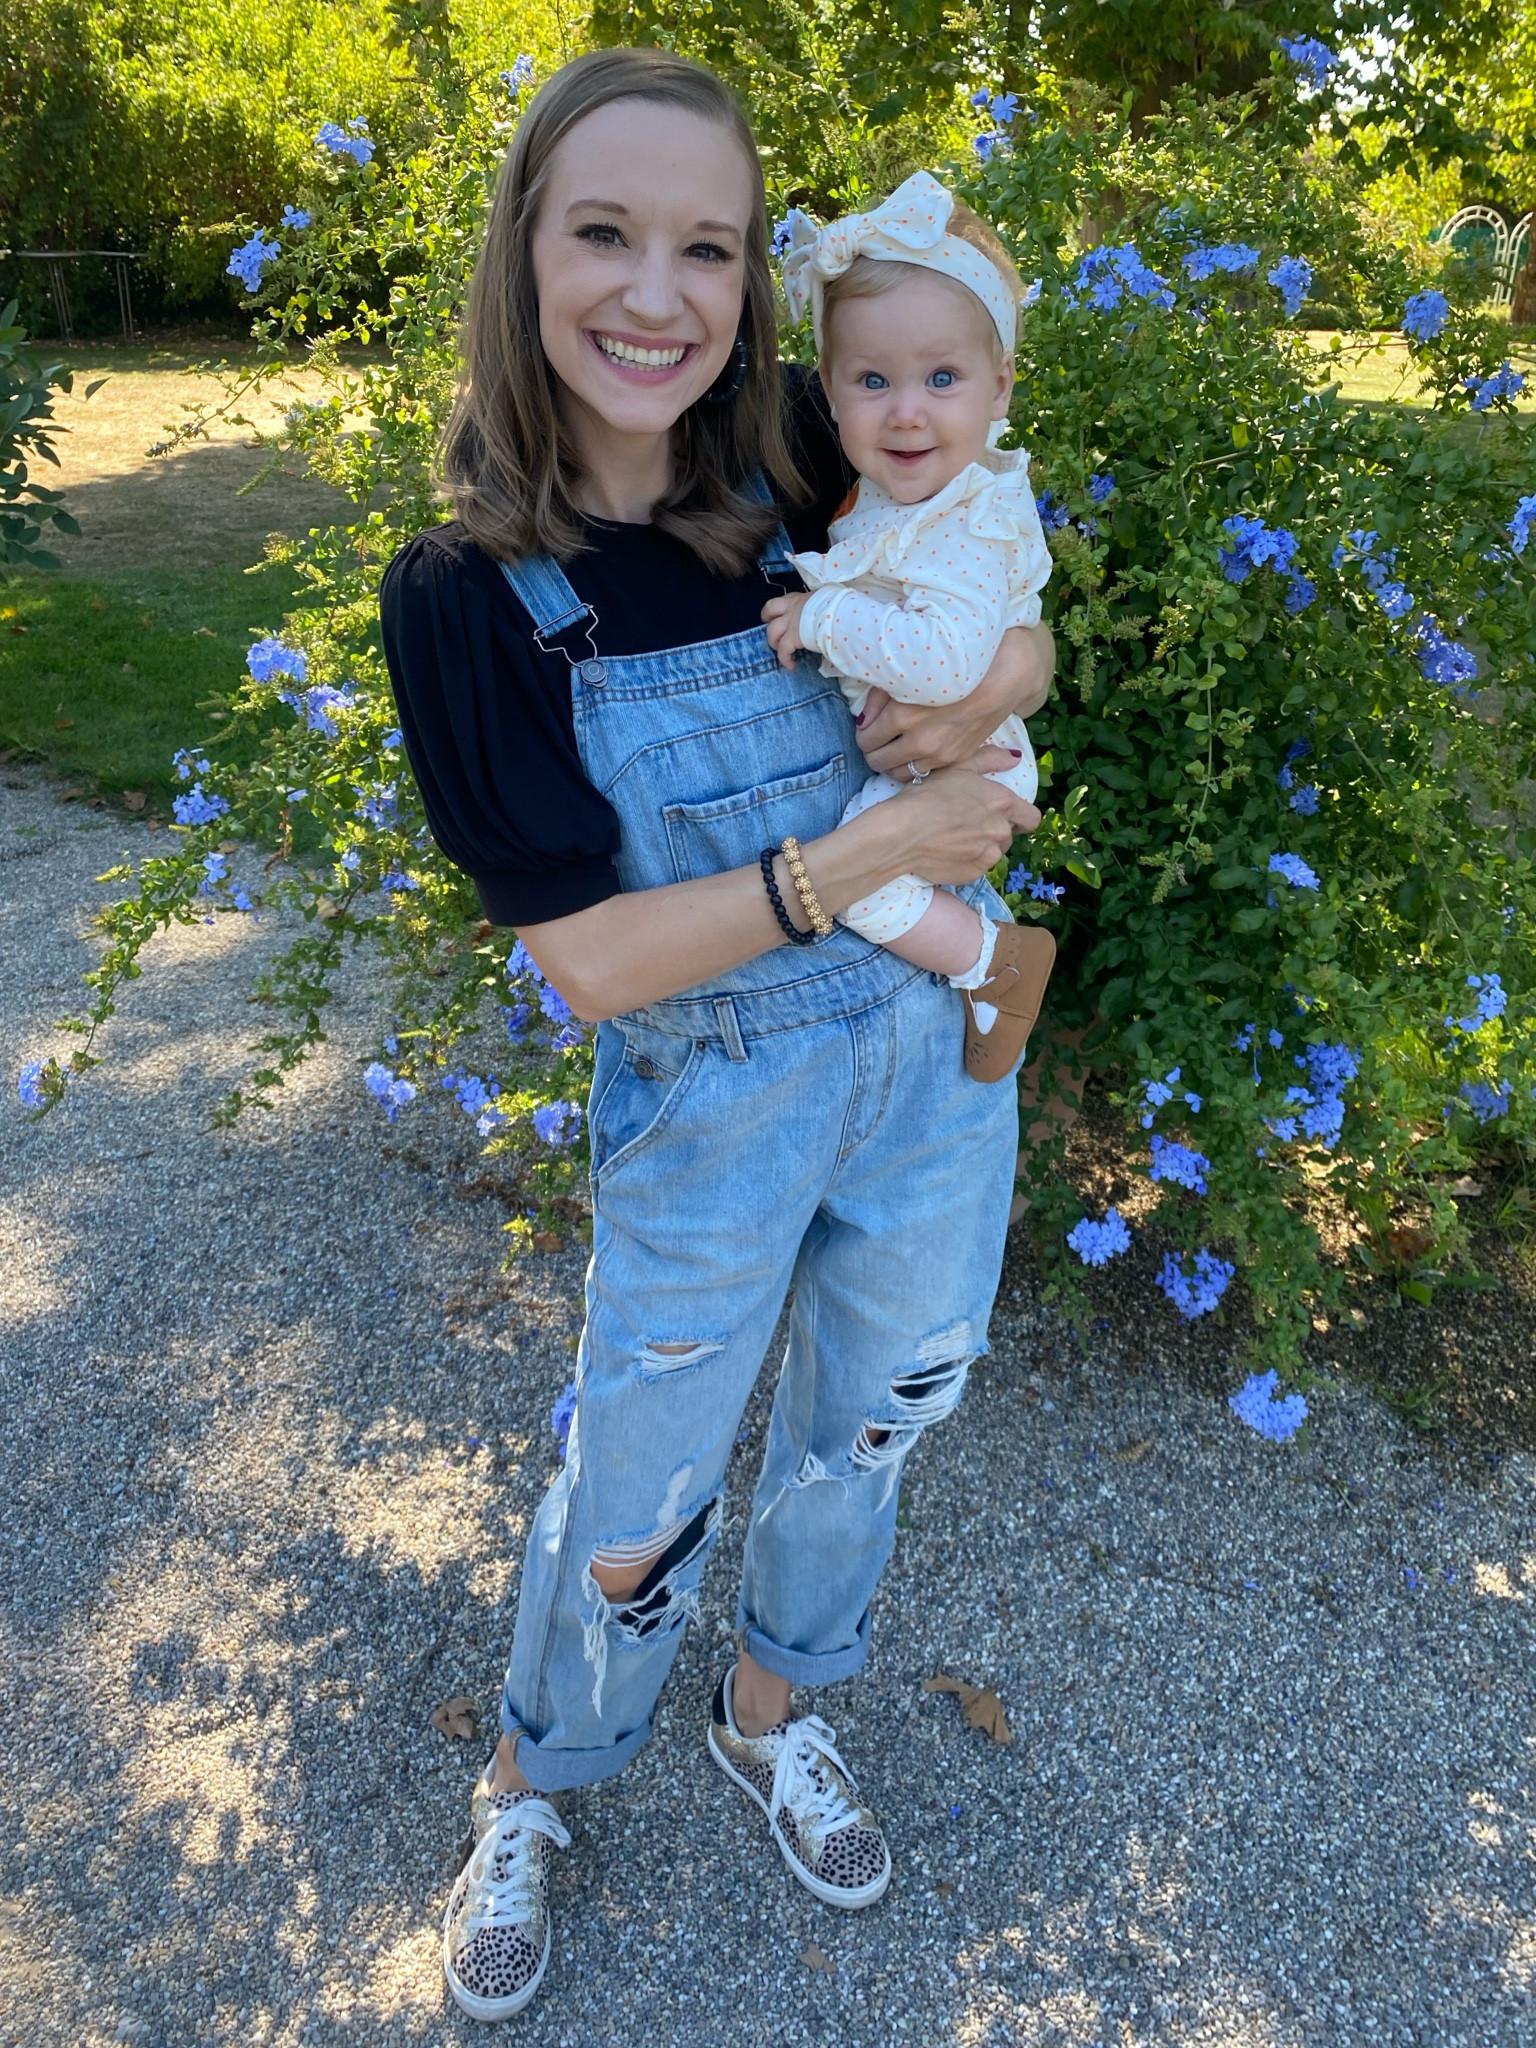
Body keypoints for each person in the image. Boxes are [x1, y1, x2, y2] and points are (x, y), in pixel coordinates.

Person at [380, 46, 1054, 2024]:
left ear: (757, 279)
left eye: (708, 246)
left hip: (929, 1076)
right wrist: (867, 857)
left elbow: (996, 539)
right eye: (604, 233)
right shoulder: (471, 597)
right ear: (524, 251)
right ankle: (536, 1776)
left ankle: (772, 1714)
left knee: (868, 1431)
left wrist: (1006, 675)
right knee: (638, 1484)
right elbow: (582, 965)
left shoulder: (798, 441)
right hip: (711, 1105)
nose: (655, 294)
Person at [762, 171, 1057, 1083]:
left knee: (864, 882)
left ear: (998, 387)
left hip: (970, 755)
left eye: (942, 377)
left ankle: (992, 961)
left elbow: (942, 662)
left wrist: (823, 616)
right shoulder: (902, 498)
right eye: (872, 379)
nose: (906, 409)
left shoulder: (960, 521)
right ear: (830, 391)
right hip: (948, 747)